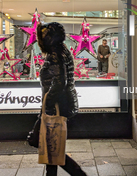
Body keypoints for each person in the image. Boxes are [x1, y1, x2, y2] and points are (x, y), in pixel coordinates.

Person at [36, 22, 87, 176]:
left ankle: (80, 174)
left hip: (57, 107)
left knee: (52, 147)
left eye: (44, 36)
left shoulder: (55, 54)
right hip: (63, 104)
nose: (42, 40)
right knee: (52, 147)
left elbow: (59, 83)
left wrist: (47, 107)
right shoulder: (63, 50)